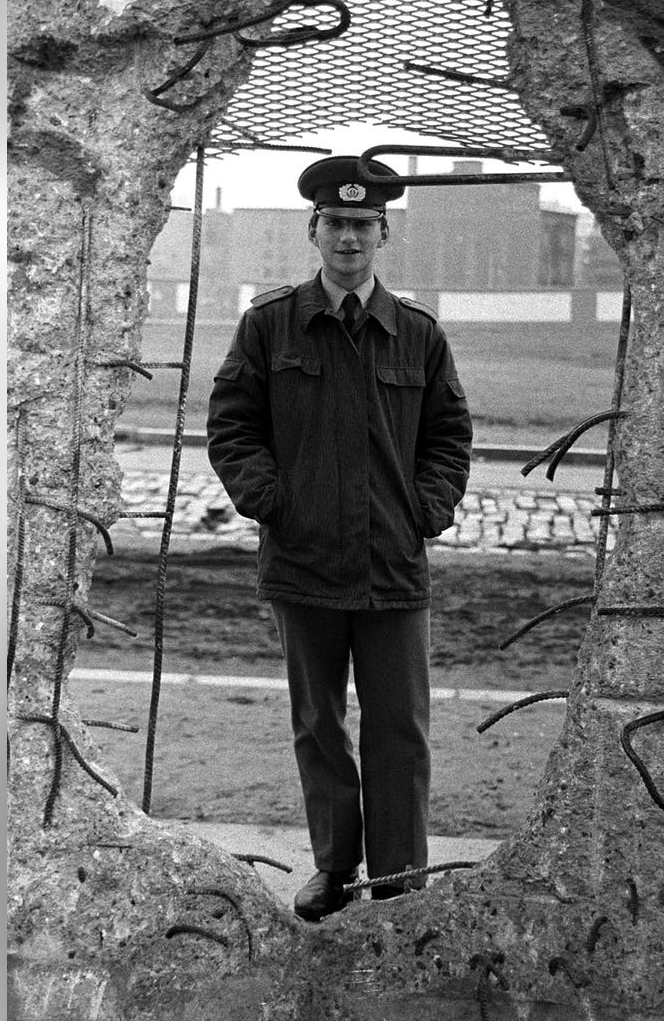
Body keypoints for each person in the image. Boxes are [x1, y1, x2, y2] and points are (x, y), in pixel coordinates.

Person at [205, 155, 473, 921]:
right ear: (312, 230)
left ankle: (397, 882)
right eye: (335, 223)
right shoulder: (270, 324)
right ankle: (332, 868)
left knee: (400, 730)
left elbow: (451, 435)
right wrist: (272, 501)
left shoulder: (416, 333)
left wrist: (427, 508)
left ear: (382, 234)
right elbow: (232, 425)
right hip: (303, 560)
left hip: (393, 564)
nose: (348, 237)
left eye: (363, 224)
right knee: (318, 726)